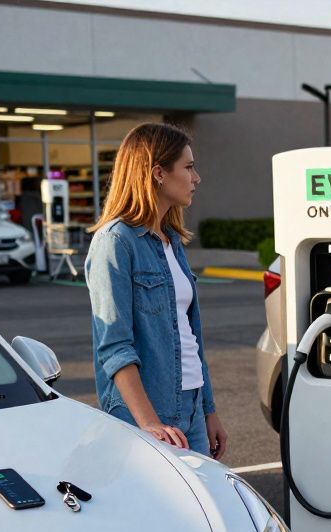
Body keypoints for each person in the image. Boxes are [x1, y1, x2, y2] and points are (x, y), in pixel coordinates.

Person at [84, 122, 227, 459]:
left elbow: (189, 335)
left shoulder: (171, 241)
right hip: (148, 415)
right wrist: (149, 423)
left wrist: (208, 410)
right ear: (159, 173)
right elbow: (115, 347)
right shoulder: (115, 242)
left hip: (191, 408)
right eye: (188, 167)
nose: (196, 178)